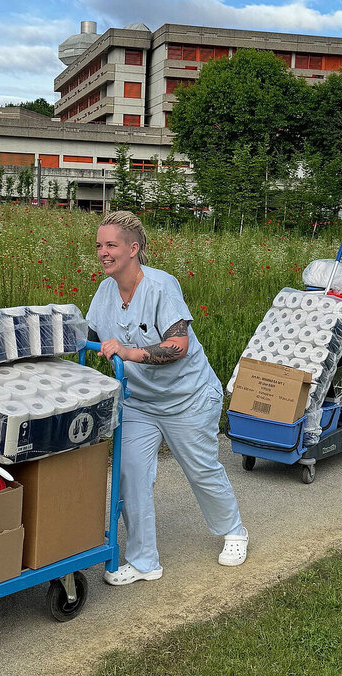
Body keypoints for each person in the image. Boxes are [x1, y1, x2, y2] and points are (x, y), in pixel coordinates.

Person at [86, 211, 248, 585]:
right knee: (131, 475)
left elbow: (177, 345)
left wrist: (128, 352)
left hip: (187, 398)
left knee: (202, 470)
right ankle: (144, 561)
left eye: (111, 245)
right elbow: (89, 331)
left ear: (133, 248)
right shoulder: (105, 291)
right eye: (99, 245)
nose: (103, 253)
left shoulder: (161, 286)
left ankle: (234, 531)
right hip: (141, 402)